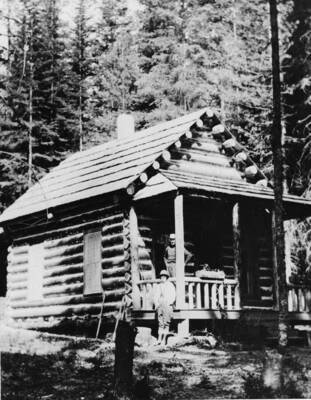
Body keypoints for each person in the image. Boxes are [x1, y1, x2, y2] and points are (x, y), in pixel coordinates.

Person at [154, 269, 176, 345]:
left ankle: (164, 340)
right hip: (160, 305)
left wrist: (169, 302)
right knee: (160, 322)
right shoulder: (159, 286)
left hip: (167, 305)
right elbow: (156, 296)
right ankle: (159, 339)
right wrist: (156, 303)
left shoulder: (170, 285)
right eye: (161, 276)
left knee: (166, 323)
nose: (162, 278)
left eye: (164, 276)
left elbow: (173, 295)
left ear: (166, 277)